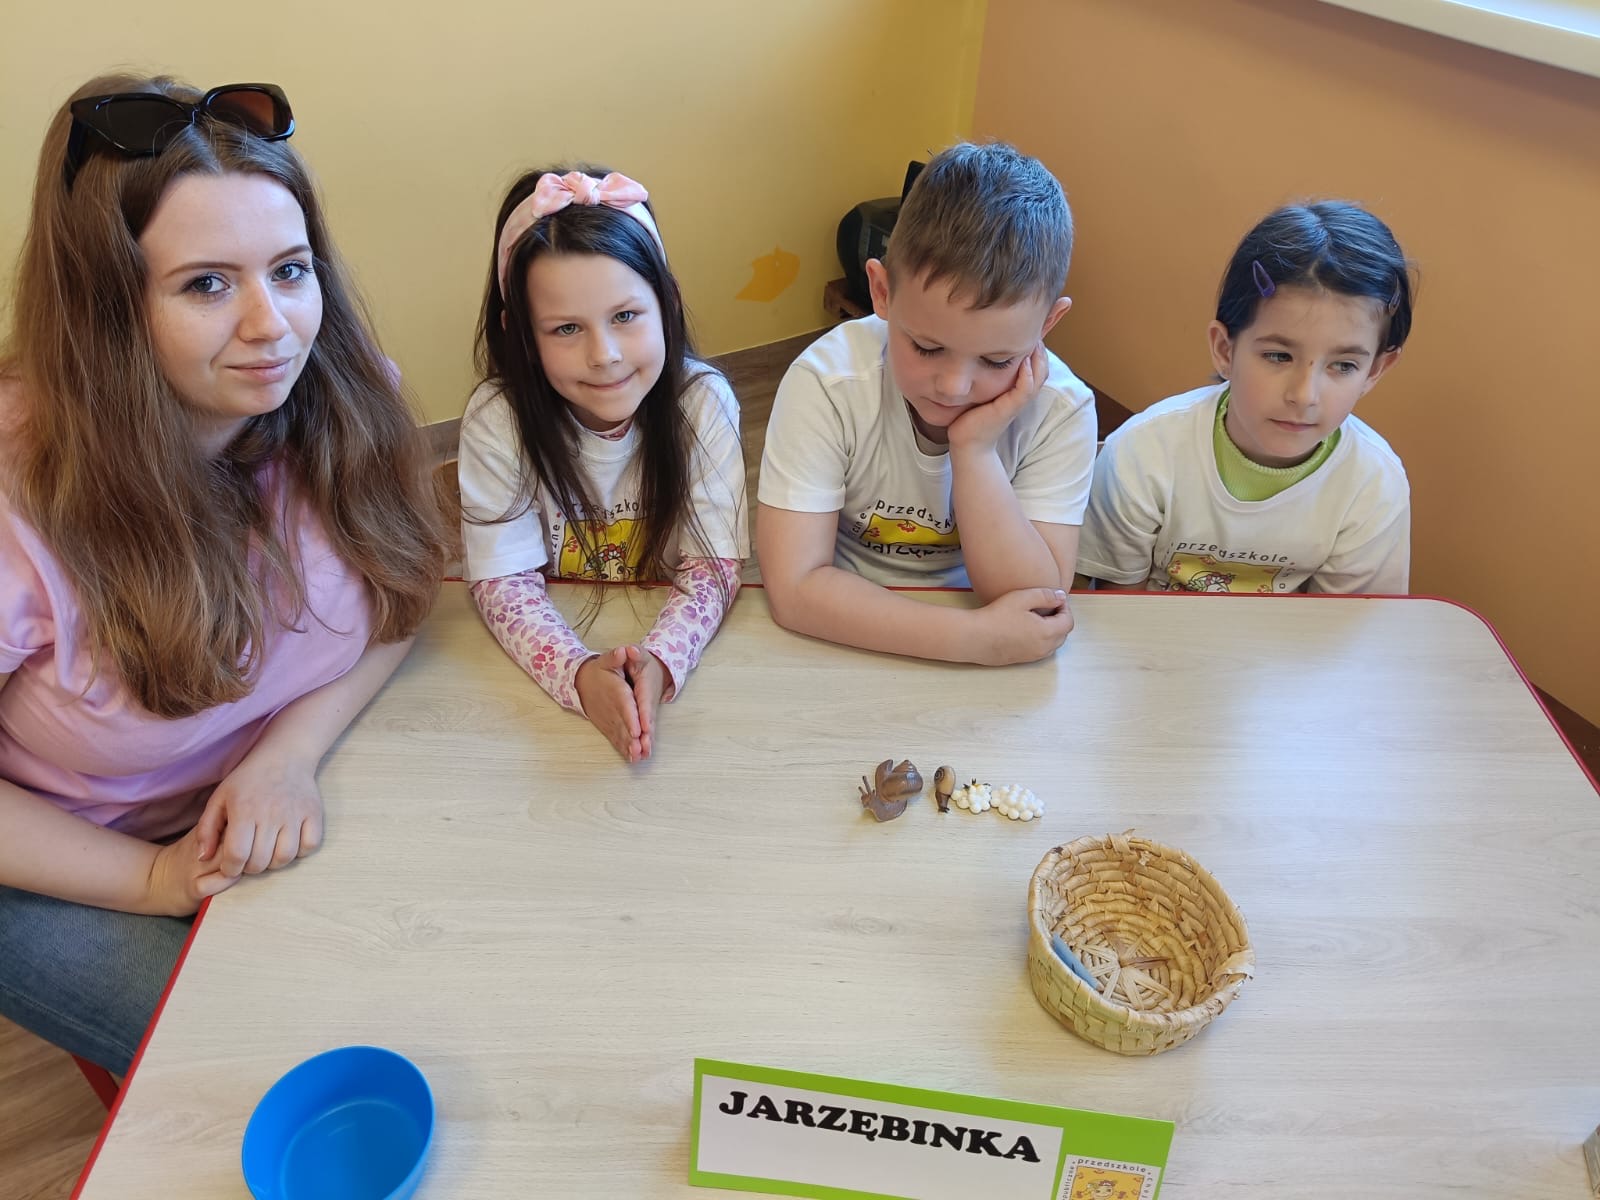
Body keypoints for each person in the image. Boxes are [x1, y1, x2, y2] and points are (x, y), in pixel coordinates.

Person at [0, 74, 446, 1072]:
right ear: (109, 309)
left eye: (290, 270)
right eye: (206, 284)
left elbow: (403, 598)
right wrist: (154, 879)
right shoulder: (17, 493)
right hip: (62, 862)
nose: (272, 326)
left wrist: (285, 756)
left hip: (269, 792)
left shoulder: (343, 389)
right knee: (266, 1067)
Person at [756, 141, 1096, 664]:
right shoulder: (826, 382)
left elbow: (1035, 602)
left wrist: (975, 451)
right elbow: (795, 587)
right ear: (881, 291)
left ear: (1048, 323)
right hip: (846, 626)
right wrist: (971, 638)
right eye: (927, 347)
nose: (954, 387)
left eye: (998, 360)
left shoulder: (1061, 410)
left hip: (978, 622)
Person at [458, 168, 747, 762]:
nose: (605, 355)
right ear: (520, 335)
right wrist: (578, 673)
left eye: (625, 316)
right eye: (566, 328)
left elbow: (713, 566)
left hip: (662, 641)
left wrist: (661, 661)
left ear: (667, 301)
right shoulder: (497, 419)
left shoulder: (703, 403)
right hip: (557, 658)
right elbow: (503, 582)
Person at [1077, 202, 1413, 594]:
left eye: (1343, 365)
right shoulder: (1143, 454)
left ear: (1374, 370)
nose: (1304, 396)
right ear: (1225, 349)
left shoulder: (1373, 485)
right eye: (1278, 356)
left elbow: (1344, 627)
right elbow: (1118, 608)